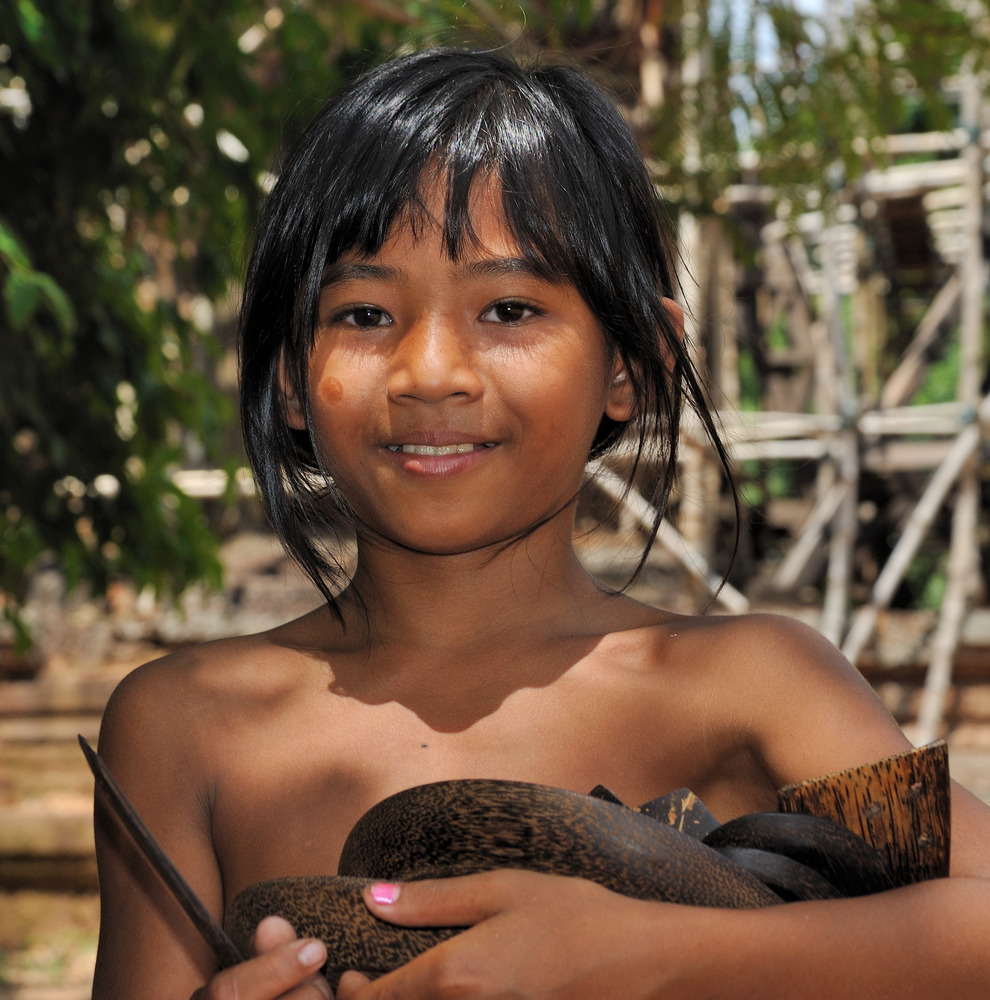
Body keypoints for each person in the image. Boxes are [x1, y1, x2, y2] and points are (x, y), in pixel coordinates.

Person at [91, 47, 990, 1000]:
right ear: (288, 378)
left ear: (632, 365)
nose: (430, 371)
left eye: (508, 308)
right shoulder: (190, 729)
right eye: (362, 314)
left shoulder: (746, 691)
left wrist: (652, 955)